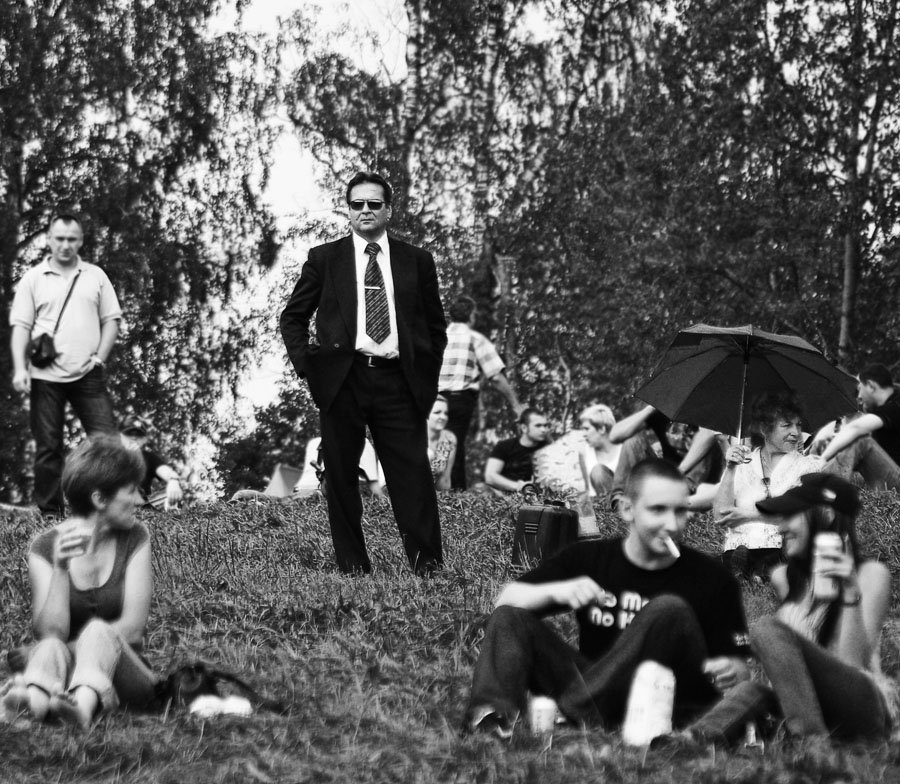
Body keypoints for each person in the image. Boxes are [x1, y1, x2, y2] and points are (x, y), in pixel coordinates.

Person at [464, 458, 750, 738]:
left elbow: (739, 672)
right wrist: (558, 590)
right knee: (510, 616)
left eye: (680, 511)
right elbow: (506, 601)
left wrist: (726, 671)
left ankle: (574, 710)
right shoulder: (590, 558)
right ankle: (489, 721)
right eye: (658, 510)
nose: (671, 524)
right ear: (627, 509)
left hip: (662, 701)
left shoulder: (713, 578)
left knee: (669, 608)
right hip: (595, 687)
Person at [280, 171, 447, 576]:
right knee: (341, 478)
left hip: (398, 381)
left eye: (374, 204)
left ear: (388, 210)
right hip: (343, 380)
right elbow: (293, 318)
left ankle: (428, 568)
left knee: (412, 477)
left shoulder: (417, 261)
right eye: (358, 204)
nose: (366, 211)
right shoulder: (325, 259)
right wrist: (310, 368)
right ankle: (354, 568)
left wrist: (424, 376)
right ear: (349, 210)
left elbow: (435, 328)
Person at [691, 473, 896, 743]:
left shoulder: (871, 574)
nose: (780, 528)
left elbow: (853, 663)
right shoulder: (784, 578)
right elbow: (787, 668)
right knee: (751, 689)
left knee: (766, 628)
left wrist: (849, 591)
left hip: (861, 709)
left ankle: (811, 744)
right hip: (810, 708)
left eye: (790, 516)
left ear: (826, 515)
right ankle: (691, 739)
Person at [1, 436, 157, 731]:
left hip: (127, 679)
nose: (139, 500)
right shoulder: (44, 548)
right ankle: (30, 705)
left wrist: (35, 654)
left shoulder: (136, 537)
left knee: (96, 632)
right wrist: (60, 569)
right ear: (100, 499)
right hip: (62, 676)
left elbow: (132, 630)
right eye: (131, 490)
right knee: (49, 646)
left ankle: (81, 709)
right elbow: (51, 633)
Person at [9, 214, 123, 516]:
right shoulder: (33, 278)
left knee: (108, 445)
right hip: (45, 376)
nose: (65, 244)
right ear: (49, 239)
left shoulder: (95, 276)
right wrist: (20, 368)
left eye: (72, 239)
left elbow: (111, 319)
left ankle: (111, 508)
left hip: (88, 375)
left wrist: (99, 358)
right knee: (48, 448)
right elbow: (21, 326)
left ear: (81, 241)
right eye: (59, 238)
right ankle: (50, 514)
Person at [713, 391, 821, 581]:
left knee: (776, 556)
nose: (796, 432)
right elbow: (720, 516)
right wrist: (730, 468)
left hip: (783, 545)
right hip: (742, 544)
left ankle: (759, 570)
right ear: (764, 429)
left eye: (798, 425)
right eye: (786, 425)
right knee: (730, 558)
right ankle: (745, 568)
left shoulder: (808, 466)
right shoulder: (743, 463)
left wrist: (750, 515)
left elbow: (804, 516)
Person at [438, 295, 524, 489]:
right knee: (454, 444)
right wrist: (515, 404)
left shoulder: (438, 337)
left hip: (434, 400)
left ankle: (439, 489)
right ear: (471, 315)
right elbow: (495, 376)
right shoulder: (475, 339)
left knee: (437, 442)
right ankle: (455, 491)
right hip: (460, 399)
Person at [608, 404, 723, 512]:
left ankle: (677, 496)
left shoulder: (703, 406)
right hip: (667, 477)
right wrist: (649, 409)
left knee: (710, 441)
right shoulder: (664, 410)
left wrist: (679, 471)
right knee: (632, 441)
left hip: (698, 481)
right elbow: (614, 436)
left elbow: (708, 434)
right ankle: (621, 499)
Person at [820, 364, 900, 471]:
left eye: (860, 389)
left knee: (861, 443)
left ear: (871, 386)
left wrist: (822, 459)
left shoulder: (894, 406)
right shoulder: (891, 403)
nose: (859, 396)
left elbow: (856, 428)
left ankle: (819, 473)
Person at [481, 408, 551, 494]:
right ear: (524, 428)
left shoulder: (549, 449)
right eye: (538, 426)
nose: (543, 430)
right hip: (504, 494)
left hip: (536, 495)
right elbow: (490, 476)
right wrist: (520, 487)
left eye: (545, 426)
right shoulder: (504, 446)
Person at [119, 415, 183, 509]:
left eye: (138, 434)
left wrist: (173, 481)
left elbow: (165, 471)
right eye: (129, 433)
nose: (134, 438)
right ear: (120, 436)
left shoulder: (148, 458)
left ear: (144, 439)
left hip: (142, 509)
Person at [578, 404, 622, 496]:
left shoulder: (624, 448)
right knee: (598, 472)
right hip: (600, 501)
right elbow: (587, 490)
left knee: (598, 472)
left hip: (628, 498)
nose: (583, 434)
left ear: (602, 429)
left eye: (587, 429)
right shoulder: (584, 453)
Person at [427, 395, 457, 491]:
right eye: (437, 412)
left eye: (445, 413)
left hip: (432, 494)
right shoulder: (411, 436)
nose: (443, 417)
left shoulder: (449, 439)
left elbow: (445, 480)